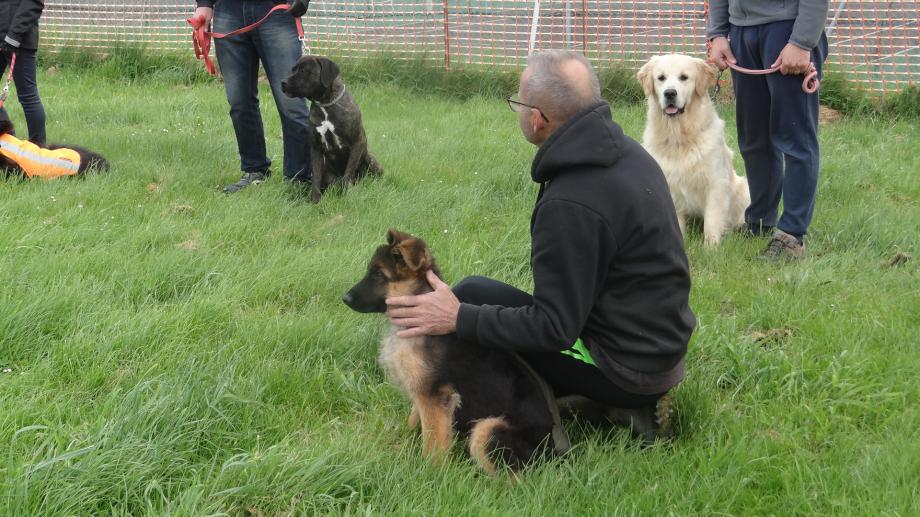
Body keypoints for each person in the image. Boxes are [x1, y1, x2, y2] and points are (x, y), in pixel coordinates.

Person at [385, 50, 696, 442]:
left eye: (518, 102)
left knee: (467, 317)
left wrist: (458, 319)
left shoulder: (571, 203)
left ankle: (542, 426)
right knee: (473, 293)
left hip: (629, 370)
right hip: (657, 348)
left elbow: (554, 329)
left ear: (537, 118)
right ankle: (598, 399)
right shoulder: (627, 153)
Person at [707, 0, 830, 259]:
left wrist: (802, 41)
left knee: (795, 140)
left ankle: (791, 236)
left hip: (787, 30)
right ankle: (759, 222)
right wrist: (718, 33)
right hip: (741, 32)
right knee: (754, 139)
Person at [192, 0, 312, 193]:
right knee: (239, 101)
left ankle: (299, 179)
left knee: (290, 101)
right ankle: (254, 171)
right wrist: (204, 3)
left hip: (277, 12)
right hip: (228, 11)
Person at [0, 0, 46, 146]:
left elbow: (34, 2)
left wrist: (14, 35)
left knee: (28, 96)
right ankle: (8, 140)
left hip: (19, 39)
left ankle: (39, 150)